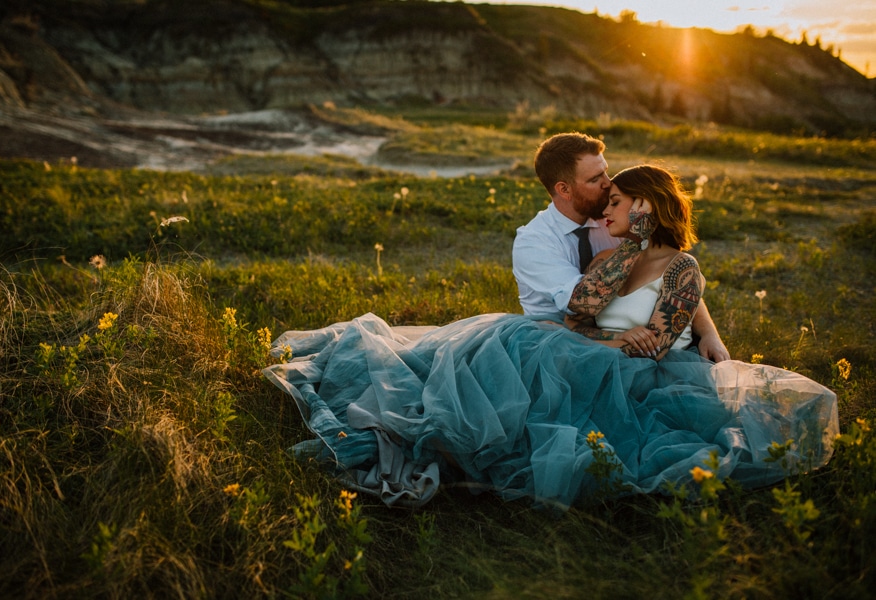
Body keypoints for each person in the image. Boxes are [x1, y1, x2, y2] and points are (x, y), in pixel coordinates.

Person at [263, 165, 838, 510]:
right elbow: (582, 308)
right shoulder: (619, 255)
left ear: (646, 205)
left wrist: (603, 338)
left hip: (633, 373)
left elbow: (655, 344)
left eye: (617, 201)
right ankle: (432, 421)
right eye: (605, 198)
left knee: (530, 350)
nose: (605, 209)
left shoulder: (683, 267)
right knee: (512, 340)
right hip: (591, 348)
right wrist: (625, 253)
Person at [512, 132, 731, 362]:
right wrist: (636, 238)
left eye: (605, 171)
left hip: (613, 347)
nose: (608, 183)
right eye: (595, 179)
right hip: (552, 342)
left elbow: (674, 276)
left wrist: (708, 333)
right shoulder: (534, 241)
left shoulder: (615, 221)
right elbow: (583, 303)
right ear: (564, 189)